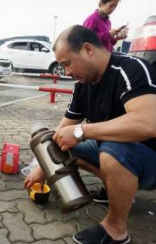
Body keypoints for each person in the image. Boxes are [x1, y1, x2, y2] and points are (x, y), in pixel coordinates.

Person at [24, 25, 156, 244]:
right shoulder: (83, 84)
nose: (66, 71)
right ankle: (116, 191)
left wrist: (81, 131)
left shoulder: (130, 69)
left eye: (67, 63)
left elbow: (149, 122)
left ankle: (115, 229)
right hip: (120, 152)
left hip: (150, 157)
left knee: (113, 150)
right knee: (60, 146)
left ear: (87, 49)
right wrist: (42, 167)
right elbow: (63, 128)